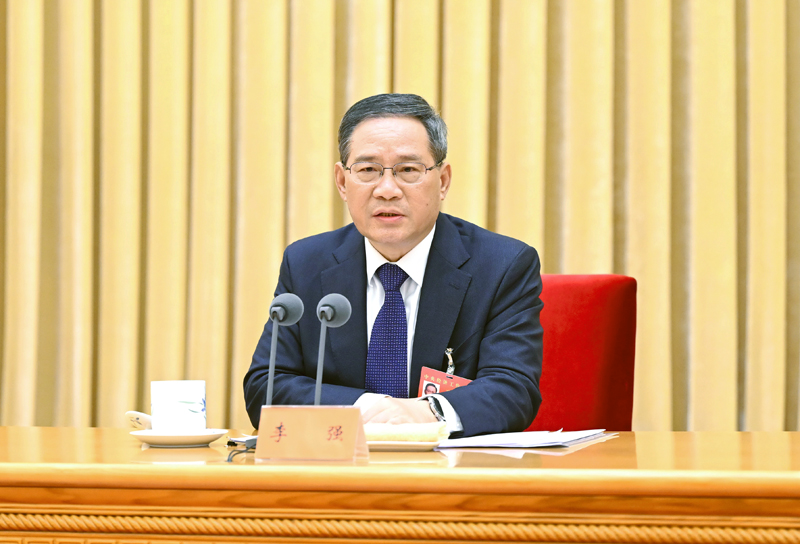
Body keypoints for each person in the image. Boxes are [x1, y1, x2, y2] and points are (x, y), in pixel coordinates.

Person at [243, 93, 543, 438]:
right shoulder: (307, 263)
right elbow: (266, 385)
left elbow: (513, 389)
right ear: (342, 182)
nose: (387, 190)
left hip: (448, 467)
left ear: (443, 181)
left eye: (408, 170)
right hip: (339, 464)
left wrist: (424, 412)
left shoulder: (502, 265)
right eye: (368, 170)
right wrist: (368, 408)